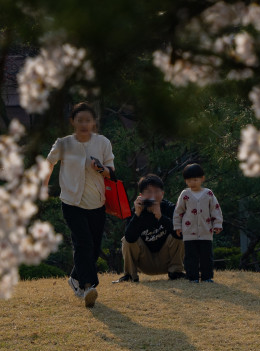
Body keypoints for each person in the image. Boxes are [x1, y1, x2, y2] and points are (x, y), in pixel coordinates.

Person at [45, 102, 115, 307]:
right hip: (71, 203)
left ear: (94, 122)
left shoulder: (103, 142)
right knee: (83, 242)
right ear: (72, 122)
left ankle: (75, 278)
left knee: (93, 249)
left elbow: (111, 171)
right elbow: (49, 164)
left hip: (97, 203)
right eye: (80, 120)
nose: (84, 124)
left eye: (88, 120)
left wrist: (100, 169)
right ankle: (87, 286)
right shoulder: (63, 143)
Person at [115, 173, 186, 283]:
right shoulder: (136, 211)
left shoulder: (169, 208)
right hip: (144, 262)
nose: (153, 195)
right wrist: (137, 215)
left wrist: (161, 217)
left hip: (166, 259)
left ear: (162, 194)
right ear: (141, 195)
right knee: (126, 239)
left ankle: (176, 272)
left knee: (177, 232)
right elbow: (129, 238)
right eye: (148, 192)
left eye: (156, 191)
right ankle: (130, 275)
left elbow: (181, 234)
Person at [172, 163, 223, 283]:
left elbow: (215, 209)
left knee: (206, 256)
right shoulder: (185, 194)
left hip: (206, 231)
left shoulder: (208, 193)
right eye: (189, 180)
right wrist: (177, 226)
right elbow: (178, 211)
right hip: (189, 232)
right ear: (185, 181)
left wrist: (217, 224)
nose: (193, 182)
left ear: (202, 179)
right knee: (190, 256)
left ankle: (207, 277)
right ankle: (192, 277)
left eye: (195, 179)